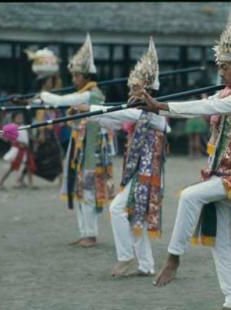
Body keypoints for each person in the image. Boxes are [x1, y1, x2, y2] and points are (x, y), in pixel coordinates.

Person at [139, 3, 231, 310]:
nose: (221, 72)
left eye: (225, 67)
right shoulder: (229, 94)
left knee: (189, 196)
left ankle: (174, 257)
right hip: (221, 172)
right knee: (221, 243)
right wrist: (159, 106)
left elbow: (200, 108)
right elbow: (205, 104)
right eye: (220, 67)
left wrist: (159, 106)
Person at [76, 37, 170, 277]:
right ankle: (146, 265)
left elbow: (128, 114)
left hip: (146, 172)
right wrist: (90, 115)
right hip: (137, 171)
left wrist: (93, 110)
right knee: (134, 215)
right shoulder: (136, 112)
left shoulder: (154, 113)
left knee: (118, 208)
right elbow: (115, 119)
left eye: (135, 88)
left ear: (147, 91)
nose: (131, 92)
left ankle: (126, 256)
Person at [37, 33, 116, 248]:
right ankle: (85, 232)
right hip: (82, 145)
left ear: (84, 76)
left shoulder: (90, 94)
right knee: (80, 188)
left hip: (92, 147)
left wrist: (42, 95)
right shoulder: (87, 92)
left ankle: (90, 233)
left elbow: (61, 100)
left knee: (87, 189)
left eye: (75, 76)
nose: (73, 80)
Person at [12, 48, 64, 185]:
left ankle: (60, 181)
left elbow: (58, 84)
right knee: (38, 156)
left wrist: (56, 73)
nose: (51, 83)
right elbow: (40, 112)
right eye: (49, 81)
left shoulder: (50, 94)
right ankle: (22, 178)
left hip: (50, 129)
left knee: (54, 155)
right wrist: (41, 132)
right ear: (44, 83)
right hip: (44, 130)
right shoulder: (41, 95)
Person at [0, 112, 36, 190]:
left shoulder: (24, 127)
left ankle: (30, 184)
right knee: (12, 167)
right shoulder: (12, 127)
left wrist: (34, 140)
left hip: (25, 149)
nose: (20, 118)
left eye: (21, 117)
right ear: (13, 119)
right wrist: (15, 141)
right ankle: (1, 182)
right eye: (18, 117)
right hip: (17, 150)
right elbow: (5, 137)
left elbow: (28, 136)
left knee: (28, 166)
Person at [184, 94, 209, 158]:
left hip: (191, 120)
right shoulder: (200, 104)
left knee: (191, 140)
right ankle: (198, 154)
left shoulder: (188, 105)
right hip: (198, 120)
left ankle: (191, 153)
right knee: (197, 139)